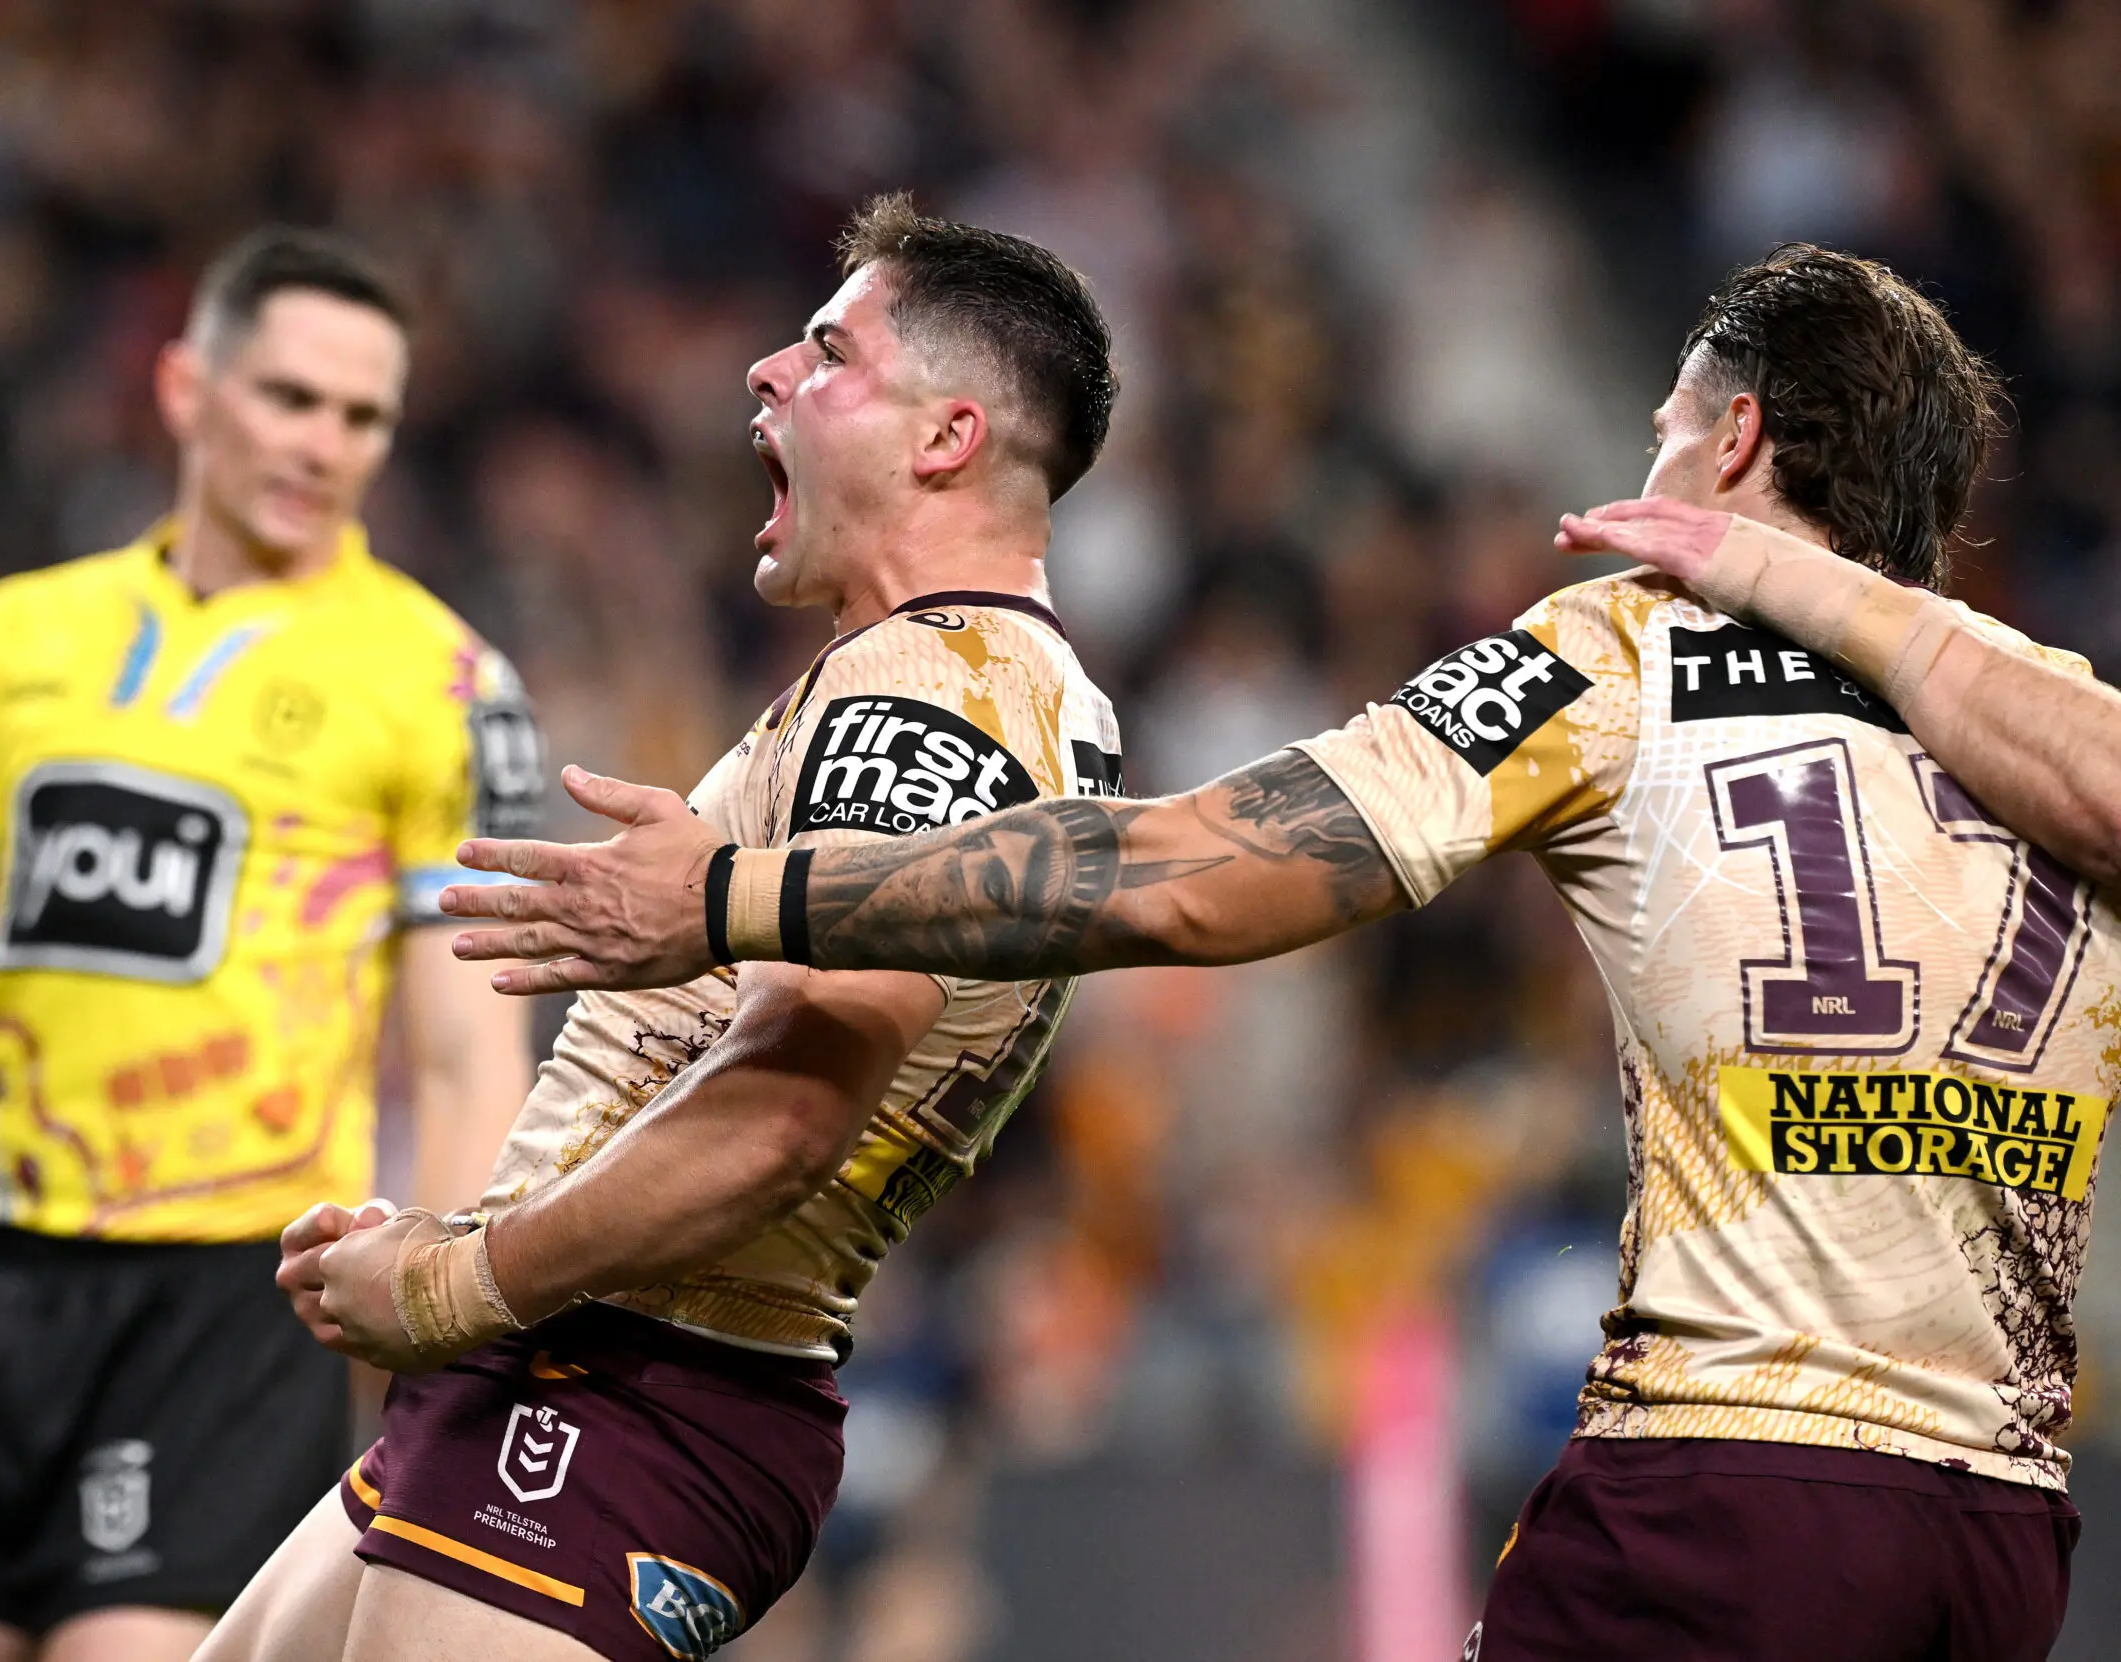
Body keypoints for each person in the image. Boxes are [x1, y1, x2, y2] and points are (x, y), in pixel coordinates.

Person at [445, 243, 2111, 1661]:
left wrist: (743, 894)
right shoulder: (2051, 718)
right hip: (2003, 1524)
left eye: (1666, 431)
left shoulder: (1631, 647)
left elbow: (1190, 880)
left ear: (1735, 438)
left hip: (1726, 1490)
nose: (1652, 471)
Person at [193, 195, 1124, 1662]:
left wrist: (459, 1278)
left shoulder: (937, 699)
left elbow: (785, 1113)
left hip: (639, 1381)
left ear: (947, 438)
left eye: (830, 352)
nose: (768, 369)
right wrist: (466, 1243)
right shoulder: (936, 680)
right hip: (583, 1351)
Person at [0, 227, 545, 1662]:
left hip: (228, 1303)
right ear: (185, 389)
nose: (325, 444)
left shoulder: (443, 684)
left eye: (362, 416)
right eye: (290, 397)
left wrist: (444, 1311)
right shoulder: (18, 636)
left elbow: (471, 1047)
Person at [1554, 496, 2121, 888]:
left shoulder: (1611, 635)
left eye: (1663, 435)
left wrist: (1774, 575)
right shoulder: (2054, 676)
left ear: (1736, 437)